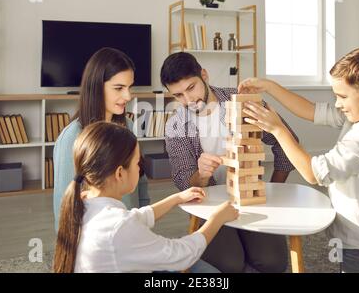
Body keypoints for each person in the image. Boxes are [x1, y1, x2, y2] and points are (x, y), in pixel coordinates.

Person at [238, 47, 359, 273]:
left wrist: (278, 129)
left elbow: (313, 173)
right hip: (358, 239)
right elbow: (311, 110)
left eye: (342, 96)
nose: (337, 104)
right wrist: (269, 86)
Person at [160, 52, 299, 273]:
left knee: (274, 262)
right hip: (210, 205)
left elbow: (286, 141)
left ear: (204, 75)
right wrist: (201, 174)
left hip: (248, 198)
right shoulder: (176, 125)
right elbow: (184, 182)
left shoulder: (242, 101)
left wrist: (273, 188)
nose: (188, 100)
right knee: (229, 264)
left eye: (191, 88)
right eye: (178, 95)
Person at [53, 121, 239, 273]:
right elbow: (182, 255)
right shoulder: (119, 227)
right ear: (120, 173)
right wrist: (217, 218)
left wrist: (176, 198)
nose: (141, 169)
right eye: (137, 163)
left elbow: (137, 217)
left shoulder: (85, 201)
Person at [53, 47, 149, 230]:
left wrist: (142, 225)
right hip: (96, 244)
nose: (128, 96)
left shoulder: (128, 126)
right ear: (96, 87)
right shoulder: (72, 137)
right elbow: (64, 207)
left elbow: (141, 182)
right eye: (119, 88)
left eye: (130, 87)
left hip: (130, 231)